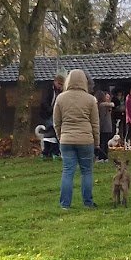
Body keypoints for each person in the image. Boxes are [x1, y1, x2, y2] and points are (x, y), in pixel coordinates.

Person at [54, 69, 100, 209]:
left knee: (68, 171)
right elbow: (95, 124)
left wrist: (61, 136)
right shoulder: (90, 99)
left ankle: (65, 204)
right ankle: (88, 202)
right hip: (86, 140)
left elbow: (57, 122)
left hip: (66, 140)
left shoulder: (61, 98)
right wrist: (96, 143)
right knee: (86, 172)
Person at [39, 73, 65, 158]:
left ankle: (48, 152)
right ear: (55, 81)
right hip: (47, 113)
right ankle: (53, 152)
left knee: (52, 132)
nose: (60, 86)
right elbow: (44, 101)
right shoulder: (48, 89)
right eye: (59, 84)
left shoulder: (61, 91)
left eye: (61, 85)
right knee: (52, 130)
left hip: (56, 113)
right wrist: (50, 110)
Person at [96, 90, 115, 162]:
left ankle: (101, 157)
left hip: (103, 127)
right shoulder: (108, 105)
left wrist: (98, 127)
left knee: (102, 143)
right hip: (108, 127)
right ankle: (105, 157)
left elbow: (102, 117)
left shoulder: (101, 106)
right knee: (105, 143)